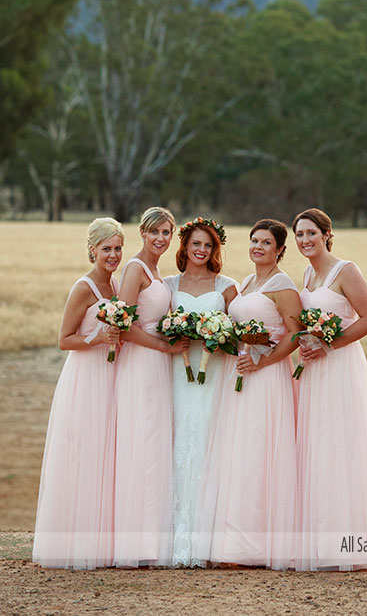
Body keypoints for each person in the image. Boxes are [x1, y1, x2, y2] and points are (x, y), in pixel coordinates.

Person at [291, 207, 367, 571]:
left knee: (342, 445)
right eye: (299, 235)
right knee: (317, 446)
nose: (305, 240)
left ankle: (351, 546)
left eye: (311, 234)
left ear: (326, 235)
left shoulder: (346, 270)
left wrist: (329, 344)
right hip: (314, 369)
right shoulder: (306, 273)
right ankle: (321, 540)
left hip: (340, 366)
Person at [197, 218, 300, 569]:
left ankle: (255, 546)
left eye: (266, 243)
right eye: (254, 241)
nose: (257, 247)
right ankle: (233, 542)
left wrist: (264, 361)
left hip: (266, 379)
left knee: (259, 452)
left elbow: (294, 334)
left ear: (280, 250)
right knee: (238, 453)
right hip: (239, 376)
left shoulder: (282, 285)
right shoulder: (246, 282)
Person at [33, 217, 124, 569]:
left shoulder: (117, 285)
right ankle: (72, 544)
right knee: (81, 453)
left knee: (104, 455)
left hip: (111, 377)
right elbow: (63, 340)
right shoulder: (84, 288)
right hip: (85, 378)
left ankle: (101, 541)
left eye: (117, 248)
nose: (113, 255)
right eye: (106, 249)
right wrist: (97, 338)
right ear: (92, 250)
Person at [113, 206, 186, 568]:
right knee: (142, 440)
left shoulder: (159, 272)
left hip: (161, 364)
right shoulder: (135, 269)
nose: (161, 238)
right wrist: (163, 346)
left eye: (167, 233)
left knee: (157, 442)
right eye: (154, 232)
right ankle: (136, 540)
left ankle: (155, 536)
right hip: (142, 363)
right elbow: (124, 324)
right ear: (142, 232)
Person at [163, 217, 238, 567]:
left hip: (214, 374)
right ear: (185, 246)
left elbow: (238, 332)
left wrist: (220, 338)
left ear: (215, 249)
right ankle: (173, 533)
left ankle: (210, 535)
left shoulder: (226, 287)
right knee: (178, 440)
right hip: (178, 372)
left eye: (208, 245)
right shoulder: (168, 284)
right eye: (196, 243)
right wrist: (174, 337)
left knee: (209, 441)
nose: (201, 250)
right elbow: (157, 325)